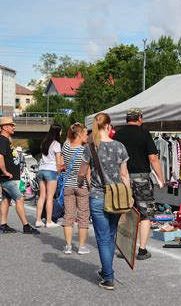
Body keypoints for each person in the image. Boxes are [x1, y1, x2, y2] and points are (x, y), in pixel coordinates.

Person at [78, 113, 130, 290]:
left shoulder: (91, 147)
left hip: (98, 197)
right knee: (110, 236)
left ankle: (108, 276)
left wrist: (81, 184)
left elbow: (82, 171)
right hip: (117, 197)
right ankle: (107, 271)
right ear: (108, 126)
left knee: (102, 238)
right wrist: (128, 195)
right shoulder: (120, 146)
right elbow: (124, 174)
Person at [114, 107, 165, 260]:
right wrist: (160, 177)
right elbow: (153, 158)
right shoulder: (144, 133)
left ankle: (124, 248)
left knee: (125, 211)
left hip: (122, 178)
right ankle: (142, 250)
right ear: (140, 118)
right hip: (142, 178)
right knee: (145, 213)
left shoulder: (118, 134)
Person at [0, 117, 39, 234]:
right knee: (19, 198)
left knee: (5, 200)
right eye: (11, 125)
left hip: (8, 177)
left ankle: (3, 225)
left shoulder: (5, 140)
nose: (13, 127)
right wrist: (5, 172)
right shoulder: (3, 140)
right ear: (4, 127)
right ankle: (26, 226)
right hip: (7, 178)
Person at [62, 122, 90, 255]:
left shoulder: (66, 147)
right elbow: (87, 171)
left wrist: (72, 127)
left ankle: (68, 246)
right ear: (79, 134)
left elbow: (68, 138)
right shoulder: (86, 150)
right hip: (81, 185)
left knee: (68, 215)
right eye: (85, 133)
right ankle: (82, 246)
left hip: (68, 185)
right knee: (83, 216)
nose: (87, 135)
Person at [35, 123, 63, 228]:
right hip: (51, 171)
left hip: (41, 170)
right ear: (58, 132)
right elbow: (58, 161)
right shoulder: (56, 144)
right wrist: (59, 172)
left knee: (42, 196)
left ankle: (38, 220)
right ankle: (49, 221)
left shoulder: (44, 142)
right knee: (50, 198)